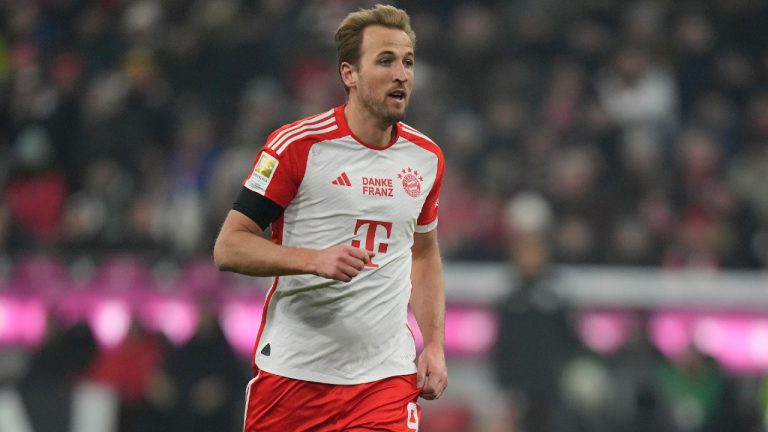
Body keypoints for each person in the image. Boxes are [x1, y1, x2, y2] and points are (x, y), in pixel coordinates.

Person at [213, 4, 447, 431]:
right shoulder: (299, 146)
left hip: (384, 380)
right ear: (349, 75)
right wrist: (312, 259)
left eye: (408, 62)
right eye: (385, 61)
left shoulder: (426, 158)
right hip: (295, 378)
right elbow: (229, 246)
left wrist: (433, 344)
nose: (402, 74)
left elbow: (424, 254)